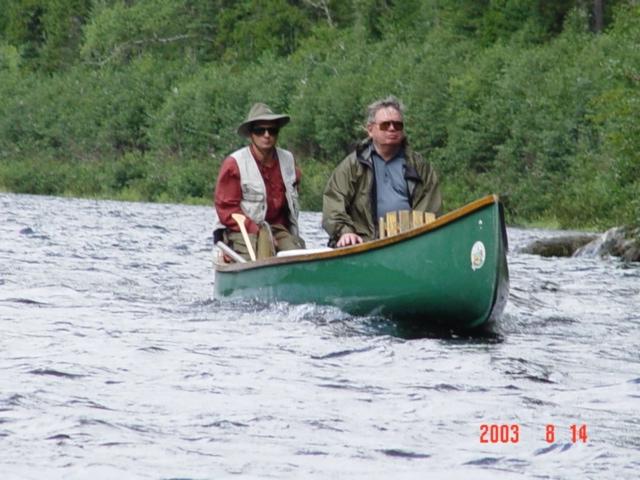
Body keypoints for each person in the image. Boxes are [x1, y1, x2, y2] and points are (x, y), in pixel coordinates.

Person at [322, 96, 442, 247]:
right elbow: (333, 204)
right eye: (386, 125)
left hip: (411, 243)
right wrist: (345, 232)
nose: (392, 129)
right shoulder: (352, 166)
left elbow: (430, 209)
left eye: (397, 125)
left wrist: (413, 235)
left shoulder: (420, 167)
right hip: (363, 244)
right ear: (370, 130)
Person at [213, 102, 305, 260]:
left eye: (272, 130)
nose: (267, 135)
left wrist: (282, 235)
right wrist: (256, 230)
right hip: (243, 230)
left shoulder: (288, 160)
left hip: (278, 229)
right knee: (261, 255)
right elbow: (226, 209)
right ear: (251, 134)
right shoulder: (234, 163)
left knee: (298, 256)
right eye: (260, 130)